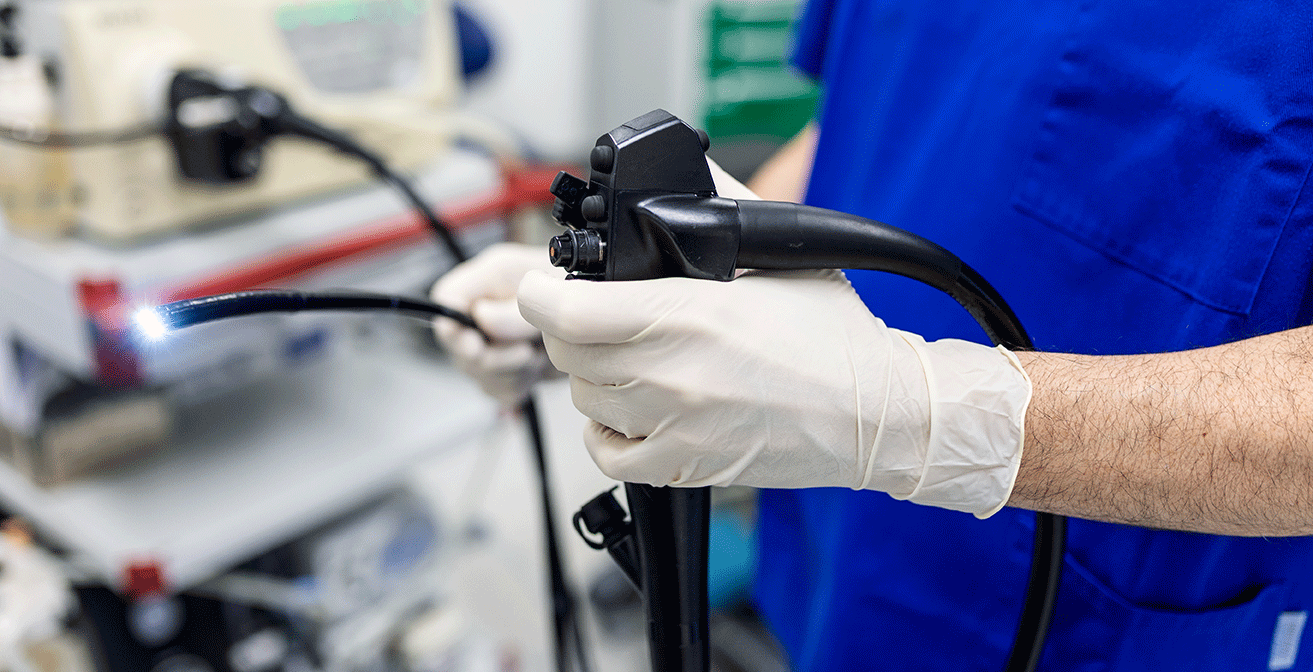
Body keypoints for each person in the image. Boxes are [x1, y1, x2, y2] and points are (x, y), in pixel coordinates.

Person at [434, 1, 1313, 669]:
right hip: (840, 564)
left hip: (1111, 618)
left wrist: (926, 417)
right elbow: (872, 113)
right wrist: (643, 298)